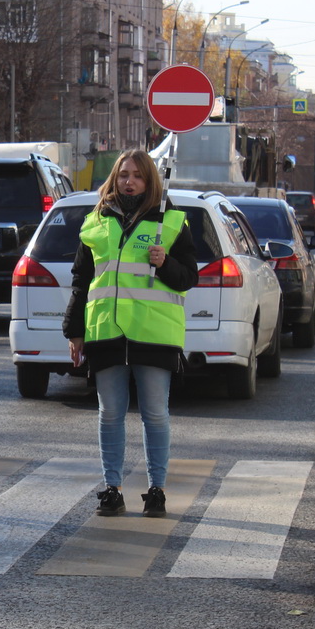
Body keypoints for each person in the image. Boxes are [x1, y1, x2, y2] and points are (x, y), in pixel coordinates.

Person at [62, 149, 199, 518]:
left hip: (153, 332)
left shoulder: (170, 222)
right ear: (114, 177)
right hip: (106, 330)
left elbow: (189, 278)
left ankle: (156, 490)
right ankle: (112, 487)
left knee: (155, 414)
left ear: (150, 180)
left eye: (137, 175)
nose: (129, 181)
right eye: (123, 174)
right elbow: (82, 281)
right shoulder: (95, 222)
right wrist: (74, 332)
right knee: (110, 414)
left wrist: (164, 262)